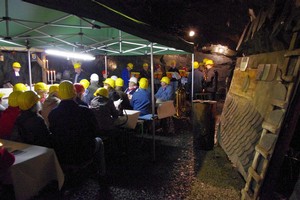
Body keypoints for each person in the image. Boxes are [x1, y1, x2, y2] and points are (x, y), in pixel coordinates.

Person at [48, 81, 106, 176]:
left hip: (62, 153)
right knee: (99, 141)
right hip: (83, 152)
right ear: (75, 94)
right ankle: (101, 173)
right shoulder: (85, 111)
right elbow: (96, 131)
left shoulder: (53, 114)